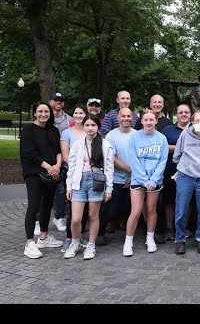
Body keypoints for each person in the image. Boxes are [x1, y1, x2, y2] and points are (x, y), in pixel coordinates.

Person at [64, 114, 114, 260]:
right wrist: (69, 186)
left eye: (93, 125)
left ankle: (91, 244)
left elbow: (109, 168)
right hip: (79, 182)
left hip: (96, 182)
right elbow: (71, 166)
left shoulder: (105, 145)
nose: (90, 128)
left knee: (93, 216)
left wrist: (109, 189)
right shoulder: (78, 144)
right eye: (87, 125)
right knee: (76, 219)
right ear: (83, 126)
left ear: (98, 126)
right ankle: (75, 242)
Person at [122, 110, 168, 256]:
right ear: (141, 121)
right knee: (135, 211)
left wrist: (153, 180)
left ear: (156, 121)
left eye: (151, 120)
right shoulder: (134, 137)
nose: (149, 122)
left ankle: (150, 238)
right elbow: (133, 160)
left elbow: (162, 161)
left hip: (155, 181)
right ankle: (128, 241)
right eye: (146, 120)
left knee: (151, 209)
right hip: (138, 179)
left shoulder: (161, 138)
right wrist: (144, 180)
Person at [21, 102, 64, 259]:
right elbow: (29, 154)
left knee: (47, 205)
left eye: (46, 111)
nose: (43, 114)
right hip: (35, 173)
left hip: (51, 173)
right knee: (34, 205)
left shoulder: (53, 130)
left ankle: (44, 237)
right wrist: (48, 166)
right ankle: (29, 243)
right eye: (40, 111)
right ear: (34, 113)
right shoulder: (28, 130)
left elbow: (58, 151)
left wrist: (57, 166)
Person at [173, 111, 200, 254]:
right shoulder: (185, 134)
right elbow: (177, 155)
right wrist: (186, 167)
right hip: (185, 176)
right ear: (192, 121)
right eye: (196, 120)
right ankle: (180, 240)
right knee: (181, 210)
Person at [100, 108, 136, 246]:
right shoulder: (111, 136)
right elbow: (112, 158)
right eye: (123, 116)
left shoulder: (137, 134)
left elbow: (140, 157)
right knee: (111, 209)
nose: (126, 118)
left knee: (131, 208)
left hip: (134, 178)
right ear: (119, 118)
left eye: (129, 116)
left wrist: (133, 174)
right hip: (116, 178)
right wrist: (129, 170)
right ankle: (100, 233)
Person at [60, 104, 89, 252]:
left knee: (85, 208)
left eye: (81, 113)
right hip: (72, 174)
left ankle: (82, 235)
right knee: (73, 209)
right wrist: (79, 167)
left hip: (88, 175)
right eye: (76, 113)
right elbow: (66, 156)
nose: (78, 116)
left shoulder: (89, 129)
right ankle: (70, 237)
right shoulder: (67, 133)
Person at [161, 104, 192, 241]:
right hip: (171, 168)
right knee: (170, 200)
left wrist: (177, 148)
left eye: (186, 112)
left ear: (190, 114)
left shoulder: (195, 129)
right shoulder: (168, 130)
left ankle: (183, 227)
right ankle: (169, 228)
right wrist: (183, 148)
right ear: (176, 115)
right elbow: (163, 146)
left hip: (191, 170)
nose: (183, 114)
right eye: (181, 112)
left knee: (188, 200)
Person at [48, 92, 73, 232]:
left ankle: (59, 217)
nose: (58, 102)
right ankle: (39, 219)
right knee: (44, 191)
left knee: (61, 191)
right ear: (50, 101)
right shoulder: (46, 117)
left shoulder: (69, 120)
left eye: (61, 101)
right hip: (48, 158)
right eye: (56, 100)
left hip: (64, 160)